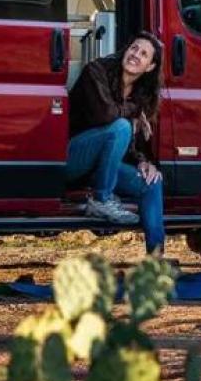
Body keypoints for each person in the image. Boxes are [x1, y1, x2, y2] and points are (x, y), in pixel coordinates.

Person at [65, 32, 167, 256]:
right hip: (71, 157)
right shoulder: (96, 71)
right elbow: (106, 115)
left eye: (143, 54)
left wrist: (143, 162)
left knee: (152, 182)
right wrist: (134, 113)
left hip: (101, 168)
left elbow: (130, 145)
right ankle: (101, 199)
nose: (135, 55)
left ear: (150, 67)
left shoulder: (141, 95)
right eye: (133, 48)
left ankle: (156, 257)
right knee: (120, 126)